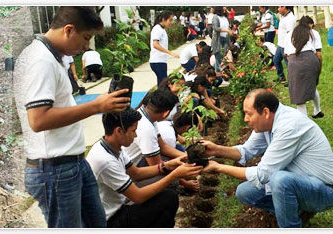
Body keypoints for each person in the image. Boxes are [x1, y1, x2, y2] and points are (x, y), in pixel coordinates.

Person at [13, 6, 130, 228]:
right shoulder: (40, 61)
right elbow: (38, 120)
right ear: (68, 29)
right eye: (85, 38)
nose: (85, 46)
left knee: (96, 224)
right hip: (54, 169)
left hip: (73, 161)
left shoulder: (54, 57)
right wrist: (96, 106)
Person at [201, 89, 333, 228]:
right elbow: (246, 151)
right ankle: (295, 212)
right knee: (244, 192)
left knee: (280, 180)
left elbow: (263, 174)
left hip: (325, 190)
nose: (245, 119)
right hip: (300, 182)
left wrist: (218, 167)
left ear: (266, 112)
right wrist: (217, 150)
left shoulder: (289, 126)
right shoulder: (267, 123)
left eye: (248, 114)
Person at [87, 109, 202, 228]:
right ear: (119, 131)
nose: (136, 135)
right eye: (133, 131)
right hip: (111, 220)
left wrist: (167, 166)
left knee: (167, 198)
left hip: (121, 205)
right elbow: (138, 196)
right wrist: (174, 175)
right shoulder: (105, 161)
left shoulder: (112, 147)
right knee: (168, 199)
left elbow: (136, 173)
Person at [285, 16, 324, 118]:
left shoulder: (289, 35)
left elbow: (287, 55)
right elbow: (318, 54)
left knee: (298, 92)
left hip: (294, 62)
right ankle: (317, 110)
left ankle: (304, 120)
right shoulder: (313, 33)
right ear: (310, 24)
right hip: (311, 60)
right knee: (312, 86)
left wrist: (294, 65)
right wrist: (319, 66)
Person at [150, 11, 180, 85]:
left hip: (161, 60)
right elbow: (155, 44)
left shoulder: (162, 29)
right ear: (163, 19)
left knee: (162, 81)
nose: (171, 22)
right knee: (163, 82)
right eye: (170, 20)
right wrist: (170, 52)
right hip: (157, 61)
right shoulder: (157, 29)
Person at [274, 6, 296, 84]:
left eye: (279, 7)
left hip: (285, 46)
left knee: (288, 64)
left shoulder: (290, 18)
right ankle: (281, 77)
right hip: (280, 44)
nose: (278, 9)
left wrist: (287, 48)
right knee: (276, 60)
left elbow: (289, 35)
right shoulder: (283, 16)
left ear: (284, 7)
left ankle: (292, 82)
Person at [211, 6, 232, 74]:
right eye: (223, 7)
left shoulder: (225, 18)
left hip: (225, 39)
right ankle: (218, 75)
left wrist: (231, 32)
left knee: (223, 57)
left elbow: (227, 27)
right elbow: (216, 28)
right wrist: (227, 30)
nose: (225, 9)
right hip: (218, 40)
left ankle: (216, 73)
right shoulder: (215, 17)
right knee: (218, 58)